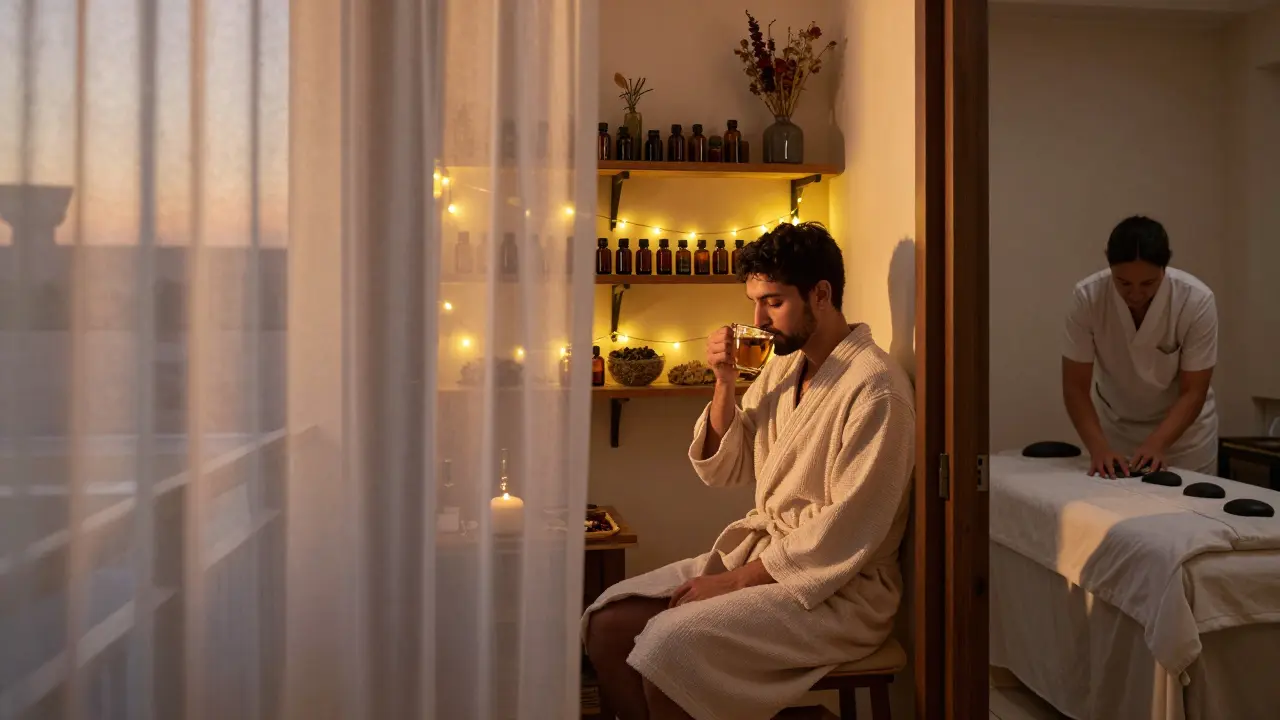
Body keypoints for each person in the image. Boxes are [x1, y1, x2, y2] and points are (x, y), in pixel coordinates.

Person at [582, 222, 915, 720]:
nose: (758, 319)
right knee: (608, 622)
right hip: (769, 556)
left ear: (821, 294)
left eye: (773, 302)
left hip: (840, 592)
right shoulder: (786, 363)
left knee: (669, 647)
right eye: (753, 302)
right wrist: (723, 382)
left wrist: (734, 582)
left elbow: (845, 533)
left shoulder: (876, 389)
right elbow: (730, 466)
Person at [1061, 215, 1218, 477]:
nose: (1135, 294)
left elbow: (1194, 391)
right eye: (1123, 283)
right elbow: (1075, 387)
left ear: (1164, 267)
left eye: (1148, 283)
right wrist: (1099, 449)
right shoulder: (1087, 298)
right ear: (1109, 264)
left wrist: (1157, 444)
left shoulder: (1196, 300)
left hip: (1183, 441)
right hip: (1116, 434)